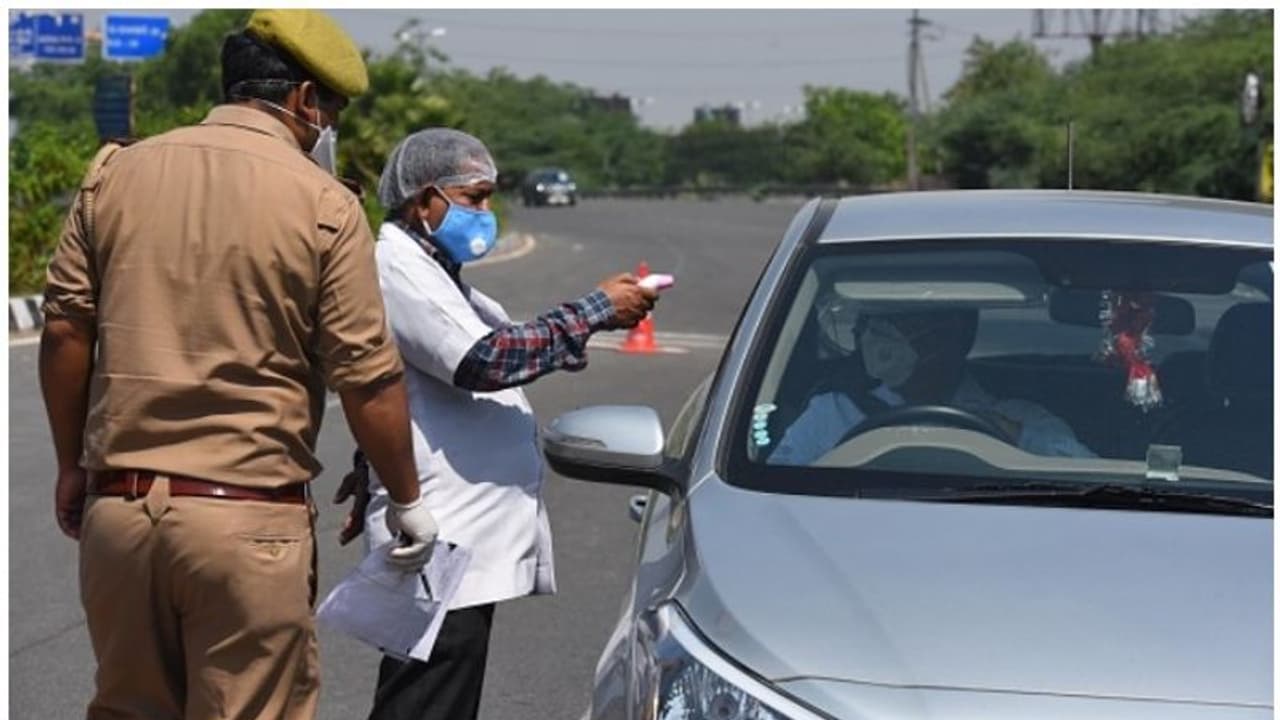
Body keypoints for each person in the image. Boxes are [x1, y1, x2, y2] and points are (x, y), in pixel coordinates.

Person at [38, 10, 438, 719]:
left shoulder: (115, 174)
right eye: (332, 112)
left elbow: (66, 330)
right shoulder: (325, 203)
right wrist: (407, 501)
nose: (329, 128)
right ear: (305, 100)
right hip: (248, 525)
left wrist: (73, 466)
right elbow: (367, 378)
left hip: (120, 519)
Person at [335, 127, 657, 720]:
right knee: (426, 701)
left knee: (440, 695)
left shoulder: (438, 273)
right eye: (474, 197)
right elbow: (483, 360)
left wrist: (592, 320)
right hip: (440, 529)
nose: (486, 213)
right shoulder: (396, 267)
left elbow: (419, 375)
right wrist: (593, 311)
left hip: (456, 530)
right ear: (425, 200)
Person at [768, 304, 1095, 465]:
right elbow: (777, 480)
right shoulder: (834, 411)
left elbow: (1083, 468)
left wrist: (1006, 432)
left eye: (906, 324)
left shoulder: (1017, 415)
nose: (880, 338)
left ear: (952, 340)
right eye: (877, 324)